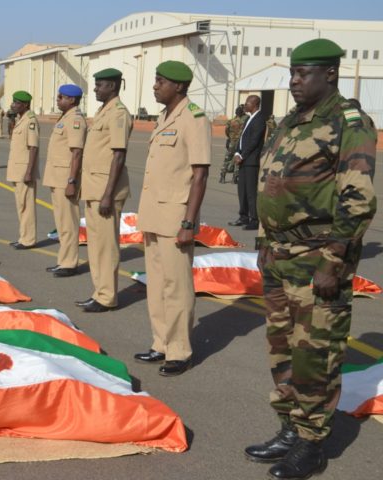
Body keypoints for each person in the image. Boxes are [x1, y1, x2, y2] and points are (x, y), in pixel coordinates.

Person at [247, 38, 377, 480]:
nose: (294, 81)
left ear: (331, 75)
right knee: (282, 348)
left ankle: (311, 443)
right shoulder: (291, 121)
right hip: (280, 256)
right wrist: (264, 239)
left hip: (316, 257)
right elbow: (271, 182)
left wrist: (334, 261)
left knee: (315, 354)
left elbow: (357, 198)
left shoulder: (349, 122)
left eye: (304, 74)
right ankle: (288, 426)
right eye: (293, 73)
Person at [133, 61, 210, 376]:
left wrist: (189, 223)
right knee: (157, 285)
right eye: (155, 80)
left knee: (177, 287)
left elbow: (200, 174)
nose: (155, 86)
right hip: (154, 214)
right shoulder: (165, 116)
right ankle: (161, 343)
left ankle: (179, 351)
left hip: (176, 217)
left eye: (160, 81)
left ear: (178, 86)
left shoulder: (194, 118)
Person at [75, 68, 132, 313]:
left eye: (100, 85)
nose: (96, 89)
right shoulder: (103, 112)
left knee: (106, 247)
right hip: (94, 188)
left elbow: (119, 155)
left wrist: (108, 194)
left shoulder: (118, 114)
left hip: (105, 191)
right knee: (96, 246)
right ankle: (99, 292)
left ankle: (107, 296)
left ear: (113, 87)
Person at [42, 84, 87, 278]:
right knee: (61, 223)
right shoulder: (65, 118)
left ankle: (69, 263)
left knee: (68, 223)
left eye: (61, 97)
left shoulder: (75, 120)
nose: (58, 100)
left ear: (72, 100)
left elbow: (77, 152)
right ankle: (63, 260)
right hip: (57, 177)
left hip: (65, 179)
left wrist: (72, 181)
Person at [6, 91, 39, 249]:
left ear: (25, 105)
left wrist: (29, 172)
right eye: (13, 102)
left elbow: (33, 148)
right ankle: (23, 237)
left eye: (17, 102)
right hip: (17, 170)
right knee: (21, 206)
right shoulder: (21, 120)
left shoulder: (30, 121)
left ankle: (28, 239)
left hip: (24, 171)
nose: (13, 105)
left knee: (27, 207)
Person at [228, 95, 265, 231]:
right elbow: (242, 138)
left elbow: (254, 141)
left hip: (251, 161)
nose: (245, 105)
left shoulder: (260, 119)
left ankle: (254, 220)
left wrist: (242, 155)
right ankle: (243, 216)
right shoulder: (249, 118)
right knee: (242, 190)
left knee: (251, 192)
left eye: (247, 103)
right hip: (243, 159)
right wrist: (237, 152)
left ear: (254, 104)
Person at [220, 105, 247, 183]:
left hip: (232, 143)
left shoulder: (231, 121)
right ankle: (234, 178)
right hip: (241, 143)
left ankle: (222, 176)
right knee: (237, 160)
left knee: (227, 159)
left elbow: (227, 131)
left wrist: (230, 138)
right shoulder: (245, 120)